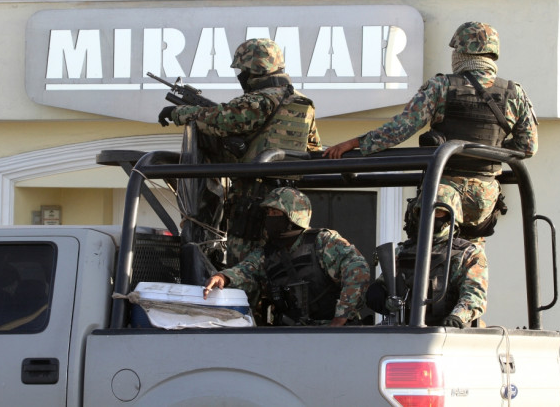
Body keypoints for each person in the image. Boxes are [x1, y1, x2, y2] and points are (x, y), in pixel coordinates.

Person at [323, 22, 538, 243]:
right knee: (470, 255)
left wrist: (356, 143)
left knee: (431, 255)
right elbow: (527, 147)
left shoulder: (441, 86)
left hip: (443, 192)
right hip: (484, 198)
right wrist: (491, 151)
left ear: (462, 53)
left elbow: (401, 128)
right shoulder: (514, 94)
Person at [158, 38, 322, 267]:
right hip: (286, 203)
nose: (241, 76)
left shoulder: (261, 99)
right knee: (276, 269)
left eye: (243, 70)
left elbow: (226, 119)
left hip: (252, 198)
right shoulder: (303, 103)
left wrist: (181, 113)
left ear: (255, 69)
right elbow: (312, 147)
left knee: (242, 271)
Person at [202, 187, 370, 327]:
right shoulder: (267, 253)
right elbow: (245, 270)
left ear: (293, 216)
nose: (270, 217)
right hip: (292, 335)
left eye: (275, 212)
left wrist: (340, 319)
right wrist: (222, 277)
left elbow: (358, 269)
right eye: (268, 212)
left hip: (334, 332)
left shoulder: (323, 242)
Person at [366, 235, 488, 328]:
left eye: (439, 213)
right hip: (406, 330)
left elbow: (475, 294)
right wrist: (382, 298)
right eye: (421, 212)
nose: (433, 217)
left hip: (451, 333)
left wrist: (458, 316)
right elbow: (385, 285)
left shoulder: (467, 252)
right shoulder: (403, 250)